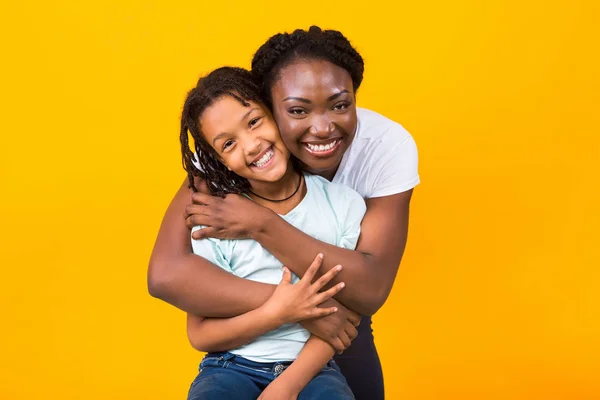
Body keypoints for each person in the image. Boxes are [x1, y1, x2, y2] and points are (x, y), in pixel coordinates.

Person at [148, 26, 420, 399]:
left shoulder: (384, 149)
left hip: (337, 322)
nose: (322, 127)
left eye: (341, 104)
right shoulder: (225, 150)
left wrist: (260, 223)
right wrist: (294, 307)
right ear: (271, 104)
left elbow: (368, 289)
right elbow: (166, 276)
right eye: (296, 110)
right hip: (272, 336)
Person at [179, 66, 364, 399]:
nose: (251, 146)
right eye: (229, 144)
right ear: (219, 161)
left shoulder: (343, 205)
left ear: (277, 113)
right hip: (230, 367)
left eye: (254, 122)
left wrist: (286, 387)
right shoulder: (215, 220)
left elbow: (345, 317)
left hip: (312, 371)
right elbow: (201, 335)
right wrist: (277, 312)